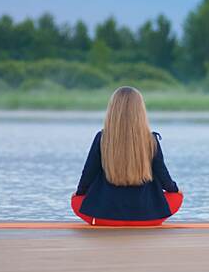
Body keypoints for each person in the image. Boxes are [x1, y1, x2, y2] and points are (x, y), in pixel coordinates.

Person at [71, 86, 183, 226]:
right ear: (140, 111)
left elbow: (88, 174)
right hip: (147, 217)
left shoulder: (102, 138)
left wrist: (79, 193)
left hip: (104, 217)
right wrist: (175, 189)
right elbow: (164, 177)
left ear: (113, 110)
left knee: (76, 200)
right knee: (177, 196)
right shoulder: (150, 140)